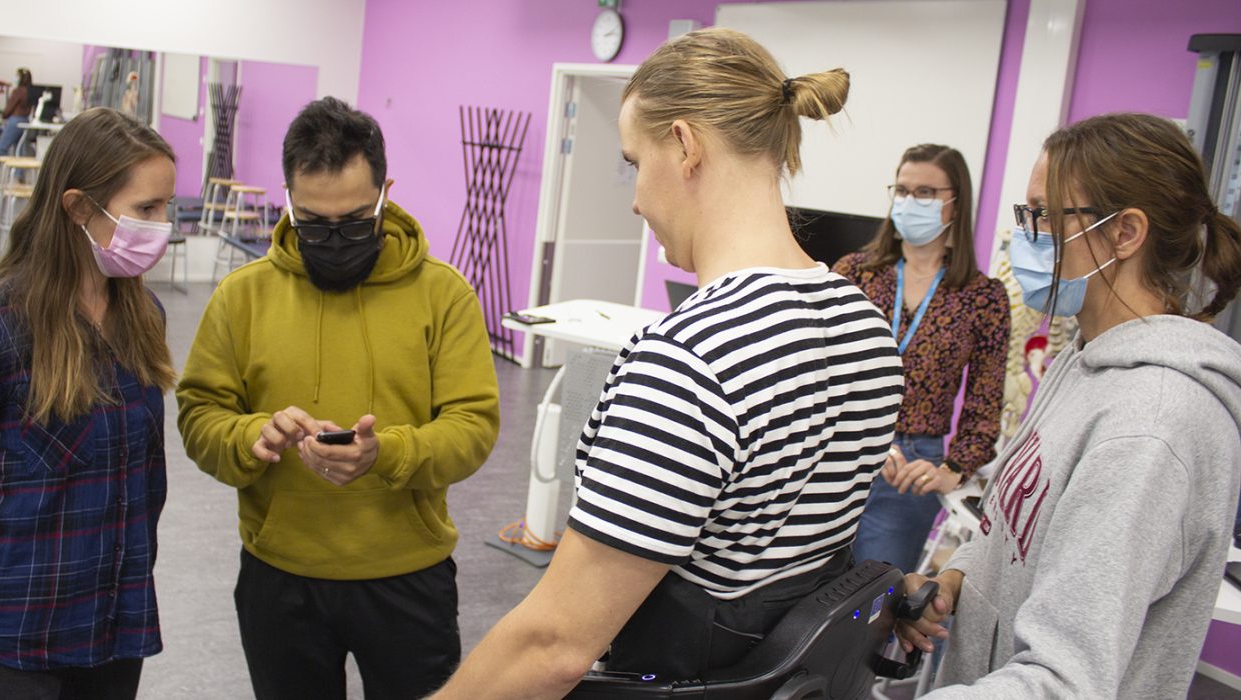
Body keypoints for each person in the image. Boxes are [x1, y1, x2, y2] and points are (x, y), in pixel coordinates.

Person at [432, 28, 904, 698]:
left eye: (634, 162)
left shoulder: (691, 360)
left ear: (684, 147)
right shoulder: (864, 328)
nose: (634, 199)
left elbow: (554, 645)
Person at [896, 113, 1241, 698]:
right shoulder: (1083, 362)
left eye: (1043, 217)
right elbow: (1014, 527)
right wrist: (958, 578)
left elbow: (1064, 682)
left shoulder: (1150, 427)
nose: (1026, 236)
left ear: (1125, 234)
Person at [176, 96, 500, 699]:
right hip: (280, 578)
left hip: (408, 578)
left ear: (385, 194)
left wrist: (388, 454)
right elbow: (199, 417)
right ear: (288, 199)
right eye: (312, 224)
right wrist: (255, 436)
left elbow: (473, 426)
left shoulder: (443, 295)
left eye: (353, 223)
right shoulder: (241, 297)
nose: (332, 240)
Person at [0, 107, 178, 699]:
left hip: (111, 630)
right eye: (146, 210)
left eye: (166, 207)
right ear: (79, 207)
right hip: (8, 643)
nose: (163, 227)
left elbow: (143, 481)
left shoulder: (142, 319)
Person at [836, 144, 1010, 575]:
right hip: (840, 448)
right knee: (802, 592)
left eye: (927, 193)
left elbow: (983, 407)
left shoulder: (982, 297)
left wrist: (953, 469)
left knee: (867, 602)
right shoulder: (854, 274)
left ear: (956, 203)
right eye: (903, 190)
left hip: (912, 470)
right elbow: (820, 371)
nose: (910, 201)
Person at [0, 68, 33, 157]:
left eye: (16, 76)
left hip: (15, 121)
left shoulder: (18, 91)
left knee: (1, 149)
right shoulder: (30, 91)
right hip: (25, 121)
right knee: (19, 152)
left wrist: (2, 116)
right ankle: (18, 171)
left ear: (21, 78)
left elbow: (8, 109)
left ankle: (4, 170)